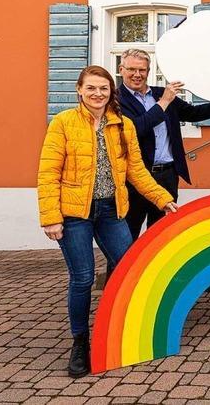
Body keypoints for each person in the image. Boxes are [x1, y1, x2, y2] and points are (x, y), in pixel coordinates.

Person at [37, 65, 178, 378]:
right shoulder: (63, 123)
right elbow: (48, 173)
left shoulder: (122, 124)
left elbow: (136, 170)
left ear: (110, 92)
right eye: (91, 88)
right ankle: (79, 342)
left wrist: (161, 198)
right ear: (79, 90)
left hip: (111, 211)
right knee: (83, 278)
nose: (97, 94)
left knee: (129, 268)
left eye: (103, 89)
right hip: (74, 215)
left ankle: (122, 331)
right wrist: (51, 218)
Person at [117, 48, 210, 240]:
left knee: (160, 233)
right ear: (121, 69)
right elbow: (137, 128)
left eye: (142, 70)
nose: (137, 75)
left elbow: (194, 114)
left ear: (149, 71)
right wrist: (164, 102)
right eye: (132, 69)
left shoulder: (160, 93)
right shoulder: (116, 100)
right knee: (127, 235)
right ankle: (119, 271)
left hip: (167, 174)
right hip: (135, 177)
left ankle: (157, 271)